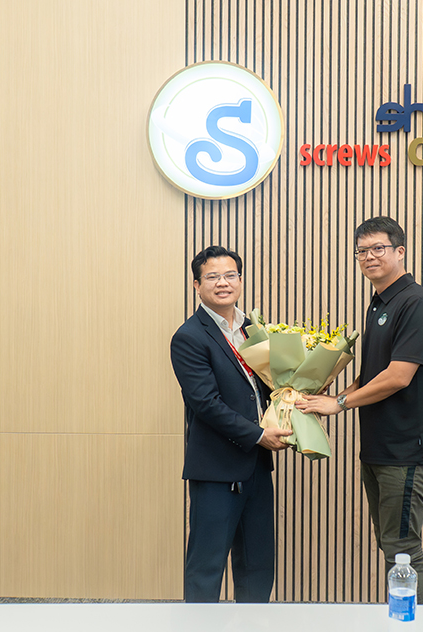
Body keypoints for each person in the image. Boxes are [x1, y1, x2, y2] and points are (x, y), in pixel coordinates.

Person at [296, 217, 423, 604]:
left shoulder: (415, 302)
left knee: (403, 550)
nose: (369, 257)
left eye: (378, 248)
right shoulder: (379, 303)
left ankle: (418, 624)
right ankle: (402, 617)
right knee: (391, 544)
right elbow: (372, 373)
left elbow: (398, 377)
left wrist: (339, 404)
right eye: (362, 251)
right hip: (380, 448)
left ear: (400, 251)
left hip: (407, 450)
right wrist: (328, 394)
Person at [170, 245, 292, 603]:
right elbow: (206, 403)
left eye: (230, 275)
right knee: (206, 568)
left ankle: (252, 625)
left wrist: (299, 395)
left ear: (240, 279)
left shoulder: (254, 329)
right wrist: (258, 435)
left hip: (256, 467)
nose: (222, 283)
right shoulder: (189, 337)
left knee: (258, 565)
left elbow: (268, 386)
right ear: (197, 285)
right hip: (216, 470)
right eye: (212, 277)